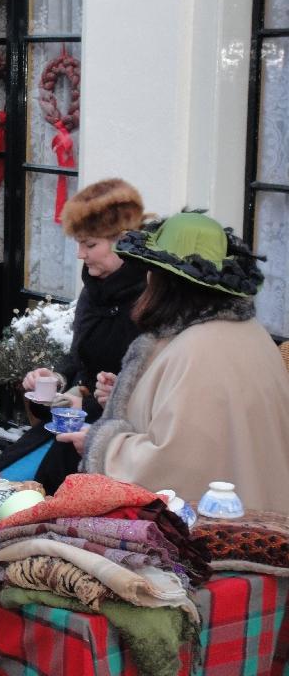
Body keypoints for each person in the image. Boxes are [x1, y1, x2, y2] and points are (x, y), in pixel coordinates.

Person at [58, 211, 289, 513]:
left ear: (168, 282)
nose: (146, 280)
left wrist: (102, 445)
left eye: (151, 271)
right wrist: (129, 396)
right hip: (266, 514)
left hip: (222, 538)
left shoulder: (199, 349)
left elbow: (174, 463)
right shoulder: (249, 334)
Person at [0, 178, 149, 494]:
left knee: (21, 493)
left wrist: (83, 398)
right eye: (79, 243)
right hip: (70, 424)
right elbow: (79, 358)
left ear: (123, 240)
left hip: (108, 445)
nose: (79, 255)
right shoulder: (93, 292)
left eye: (90, 244)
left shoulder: (149, 303)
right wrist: (55, 379)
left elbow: (146, 396)